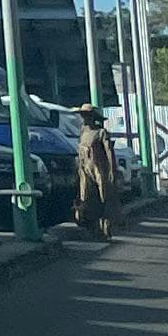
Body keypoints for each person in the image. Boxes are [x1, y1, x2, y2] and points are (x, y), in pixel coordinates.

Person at [71, 103, 127, 241]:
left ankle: (105, 227)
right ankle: (91, 227)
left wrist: (111, 171)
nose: (84, 118)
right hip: (84, 170)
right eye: (83, 115)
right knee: (86, 198)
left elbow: (109, 153)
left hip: (99, 170)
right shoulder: (83, 131)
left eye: (87, 115)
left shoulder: (101, 133)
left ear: (93, 117)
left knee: (105, 198)